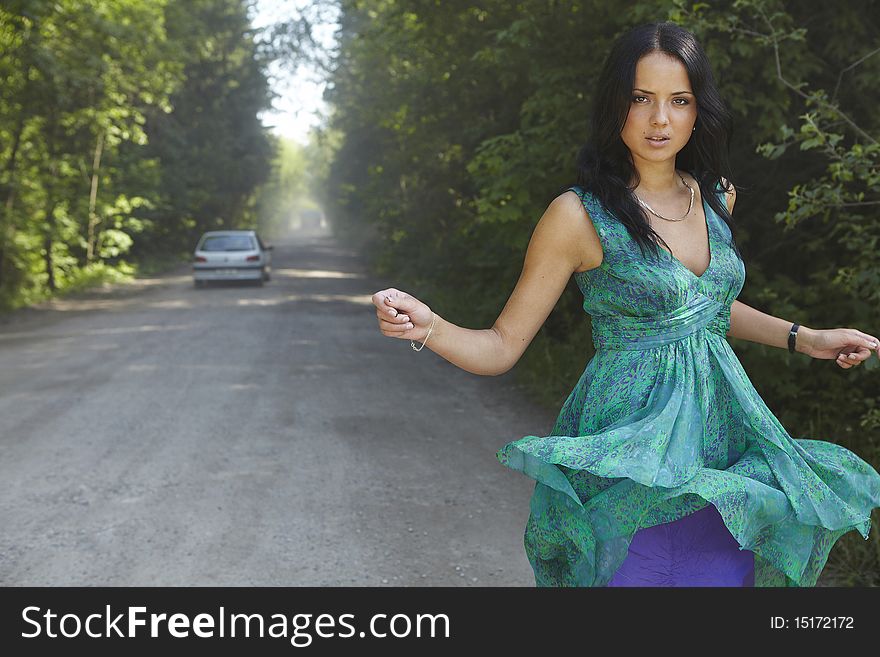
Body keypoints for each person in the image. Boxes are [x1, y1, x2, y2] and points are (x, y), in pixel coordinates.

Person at [370, 21, 880, 587]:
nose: (660, 119)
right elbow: (500, 347)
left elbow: (700, 312)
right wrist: (430, 325)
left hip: (719, 436)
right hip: (631, 442)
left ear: (697, 110)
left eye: (678, 100)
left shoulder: (716, 196)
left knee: (719, 581)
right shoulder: (578, 215)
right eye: (642, 99)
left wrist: (805, 338)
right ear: (616, 104)